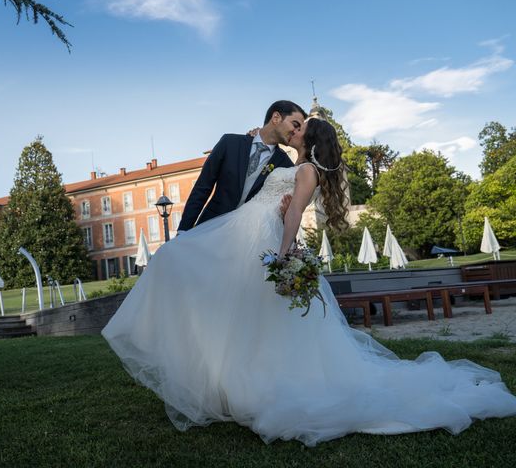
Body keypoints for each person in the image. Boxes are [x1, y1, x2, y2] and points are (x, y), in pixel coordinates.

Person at [102, 118, 516, 447]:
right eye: (292, 124)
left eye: (300, 128)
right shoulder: (294, 166)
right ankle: (225, 382)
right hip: (243, 231)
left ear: (310, 138)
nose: (293, 130)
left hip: (261, 239)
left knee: (249, 310)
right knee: (231, 302)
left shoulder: (304, 170)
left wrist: (283, 257)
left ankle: (248, 383)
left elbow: (296, 213)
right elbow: (283, 199)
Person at [176, 100, 306, 232]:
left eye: (299, 129)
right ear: (276, 117)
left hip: (249, 238)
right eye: (295, 125)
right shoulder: (229, 143)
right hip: (209, 227)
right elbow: (202, 188)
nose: (296, 132)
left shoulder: (285, 165)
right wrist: (183, 230)